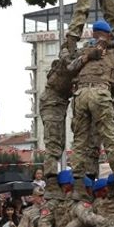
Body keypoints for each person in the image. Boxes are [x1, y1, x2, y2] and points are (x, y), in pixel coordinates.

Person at [68, 21, 114, 192]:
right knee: (112, 142)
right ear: (109, 35)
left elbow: (70, 67)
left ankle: (79, 187)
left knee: (80, 144)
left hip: (81, 95)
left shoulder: (84, 51)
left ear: (93, 33)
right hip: (103, 97)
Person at [40, 45, 78, 177]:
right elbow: (66, 54)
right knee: (54, 145)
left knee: (59, 145)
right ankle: (51, 183)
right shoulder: (67, 64)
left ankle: (52, 179)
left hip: (59, 105)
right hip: (52, 105)